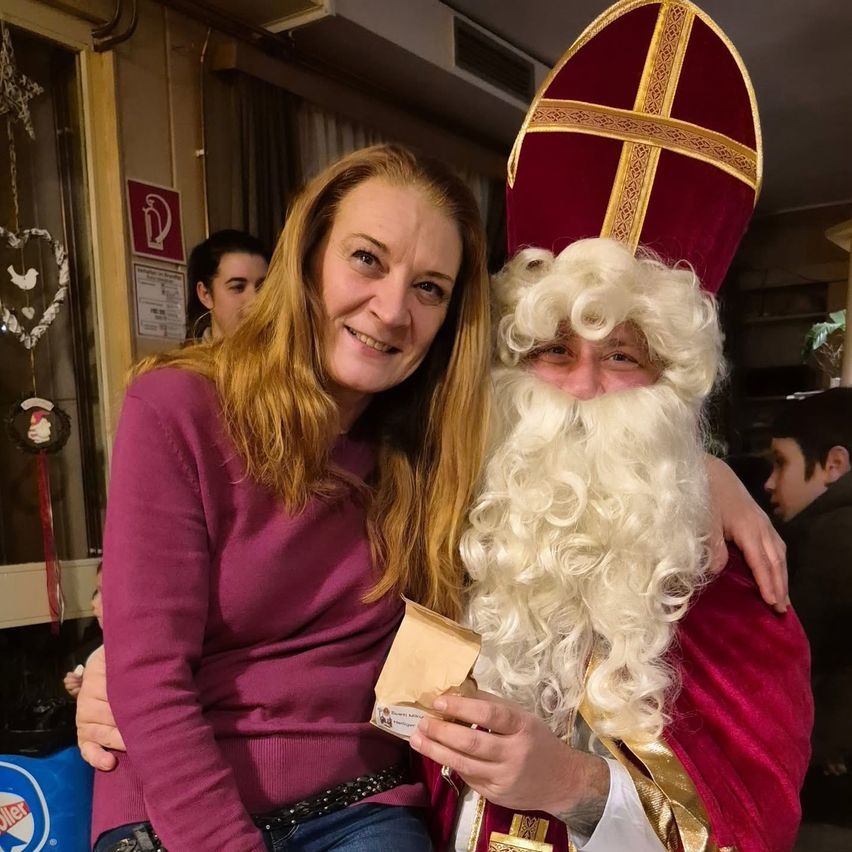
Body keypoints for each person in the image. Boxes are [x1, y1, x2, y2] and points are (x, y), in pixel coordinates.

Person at [88, 143, 491, 851]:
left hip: (361, 805)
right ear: (306, 261)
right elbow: (148, 674)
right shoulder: (179, 408)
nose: (392, 309)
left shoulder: (435, 453)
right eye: (366, 259)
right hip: (173, 809)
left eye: (429, 288)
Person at [414, 239, 812, 852]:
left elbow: (757, 822)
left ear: (667, 386)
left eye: (621, 356)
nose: (583, 387)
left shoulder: (730, 588)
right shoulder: (454, 535)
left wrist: (575, 786)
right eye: (555, 350)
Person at [766, 389, 852, 788]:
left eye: (780, 463)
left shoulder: (833, 537)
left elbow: (790, 660)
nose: (770, 482)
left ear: (834, 465)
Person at [184, 228, 270, 341]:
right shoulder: (188, 353)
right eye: (238, 287)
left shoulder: (285, 350)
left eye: (262, 287)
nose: (256, 301)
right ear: (205, 294)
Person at [63, 562, 103, 698]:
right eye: (96, 592)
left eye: (103, 592)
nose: (93, 603)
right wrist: (84, 687)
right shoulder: (96, 654)